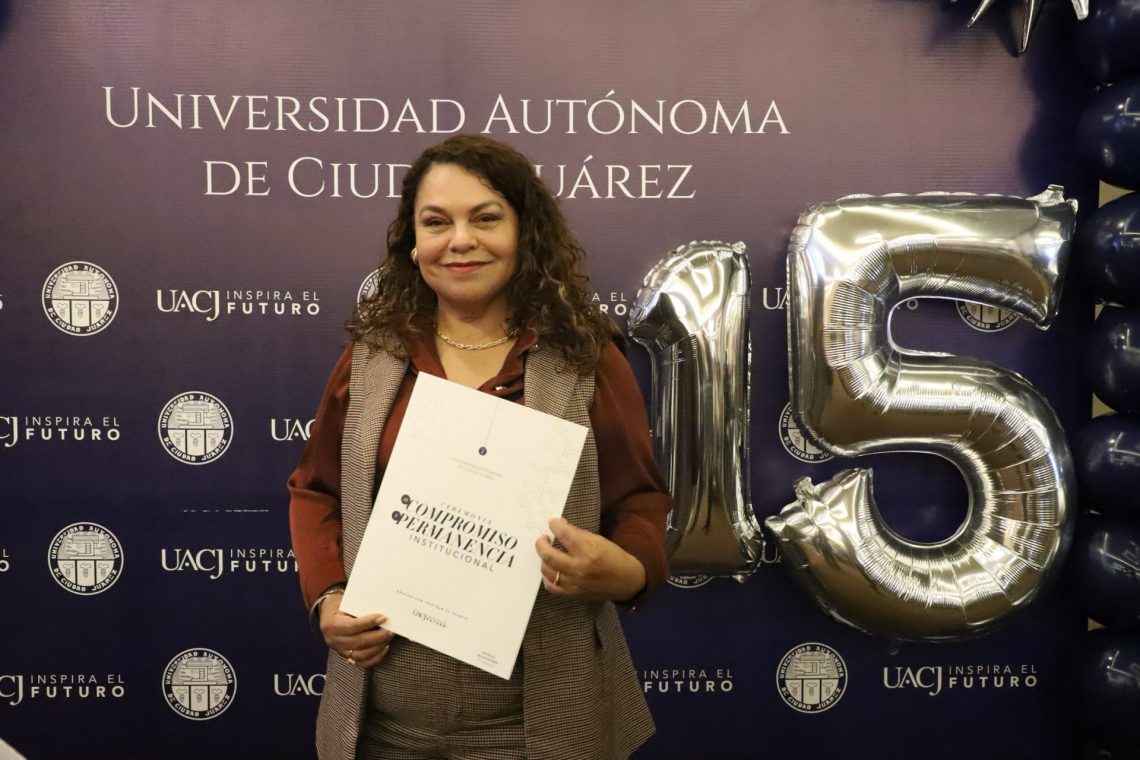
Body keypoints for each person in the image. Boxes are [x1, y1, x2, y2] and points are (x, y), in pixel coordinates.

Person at [288, 134, 671, 760]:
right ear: (413, 242)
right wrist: (328, 596)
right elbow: (316, 490)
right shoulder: (372, 357)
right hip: (384, 722)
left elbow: (641, 503)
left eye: (486, 218)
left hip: (536, 726)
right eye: (437, 222)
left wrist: (626, 572)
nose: (460, 240)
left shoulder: (586, 358)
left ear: (525, 232)